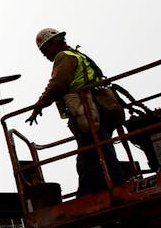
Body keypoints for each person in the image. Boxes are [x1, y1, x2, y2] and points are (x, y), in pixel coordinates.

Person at [26, 27, 128, 195]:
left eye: (45, 50)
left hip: (89, 111)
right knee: (90, 155)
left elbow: (58, 85)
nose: (45, 55)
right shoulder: (76, 55)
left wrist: (39, 105)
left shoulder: (64, 57)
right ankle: (88, 192)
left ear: (54, 44)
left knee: (97, 152)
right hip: (98, 109)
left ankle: (113, 188)